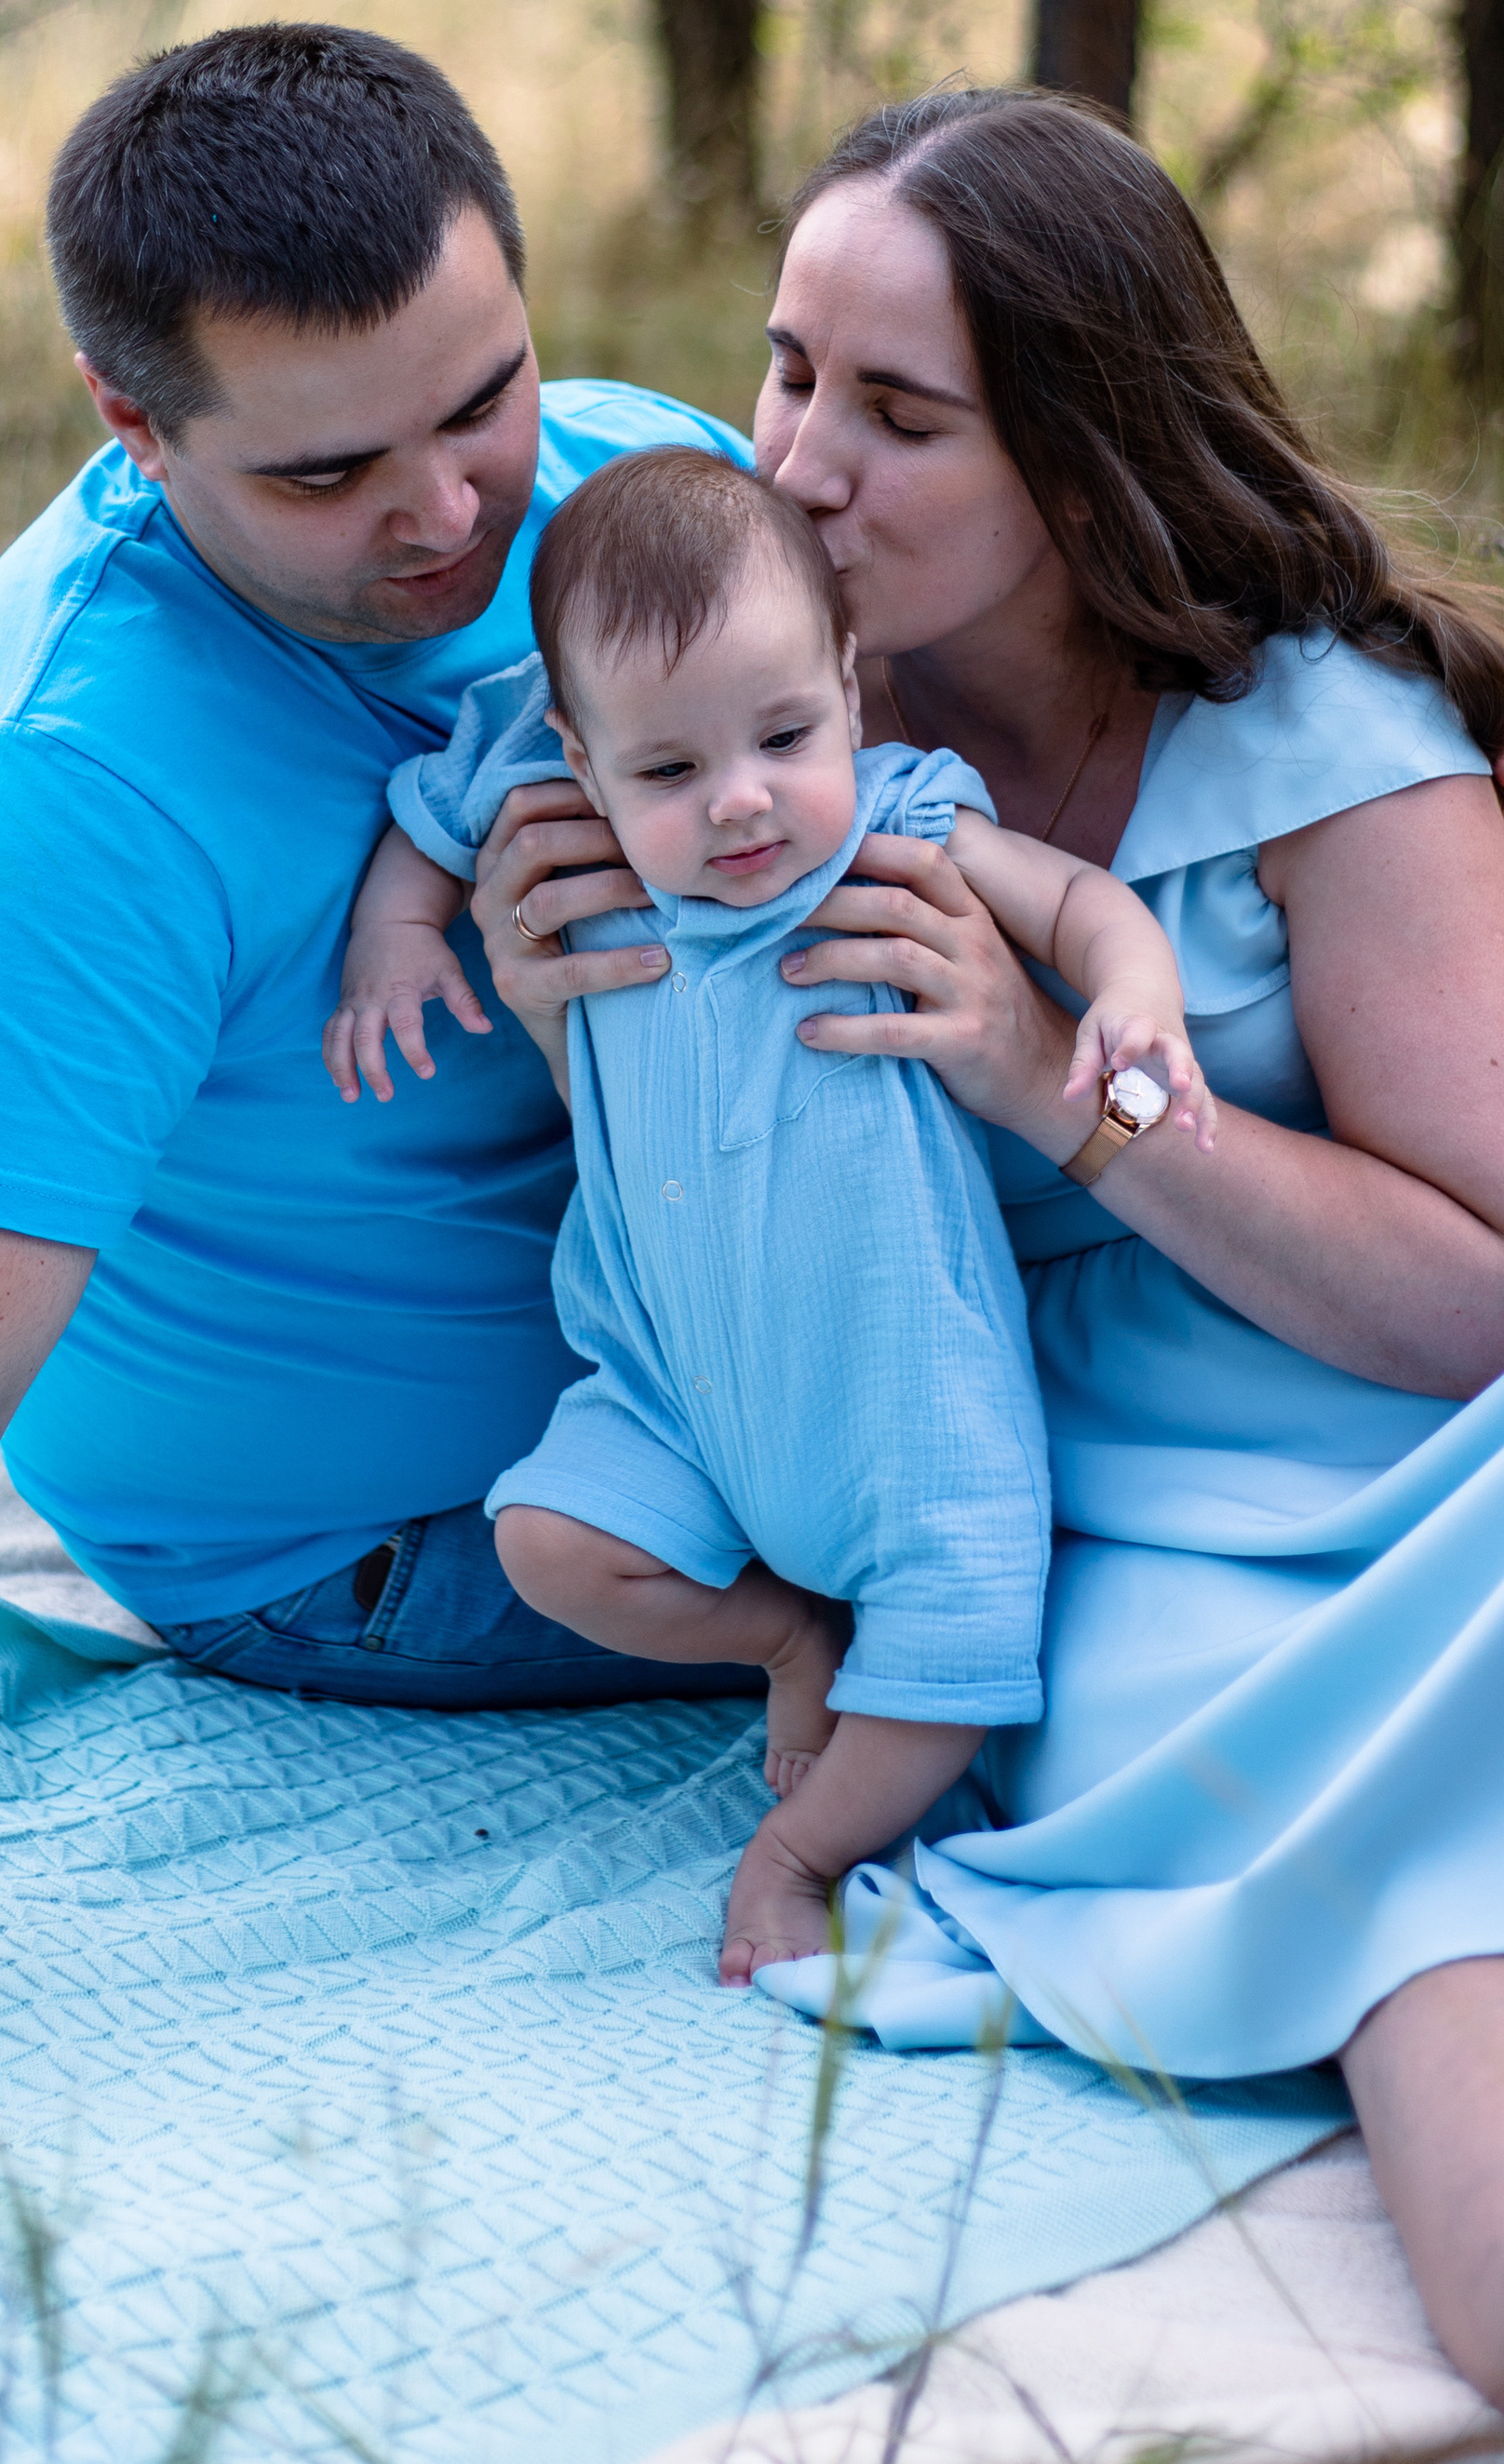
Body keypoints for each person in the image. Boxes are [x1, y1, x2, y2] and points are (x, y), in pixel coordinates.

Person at [471, 85, 1504, 2464]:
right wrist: (550, 1003)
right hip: (1145, 1553)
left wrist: (1050, 1083)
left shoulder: (1305, 729)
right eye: (786, 369)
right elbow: (703, 1211)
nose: (799, 462)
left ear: (1082, 466)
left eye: (900, 415)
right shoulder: (731, 715)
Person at [0, 21, 756, 2206]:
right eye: (325, 474)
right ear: (135, 426)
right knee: (1055, 1569)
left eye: (484, 397)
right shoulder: (53, 794)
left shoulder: (637, 489)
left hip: (709, 1348)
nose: (448, 511)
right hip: (383, 1544)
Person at [334, 444, 1210, 1982]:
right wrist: (398, 936)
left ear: (849, 688)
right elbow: (433, 819)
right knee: (545, 1540)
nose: (741, 802)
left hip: (908, 1402)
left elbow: (1079, 903)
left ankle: (796, 1856)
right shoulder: (562, 816)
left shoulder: (896, 825)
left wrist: (1138, 1003)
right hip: (672, 1391)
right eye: (669, 772)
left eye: (786, 737)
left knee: (958, 1657)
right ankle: (786, 1636)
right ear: (582, 751)